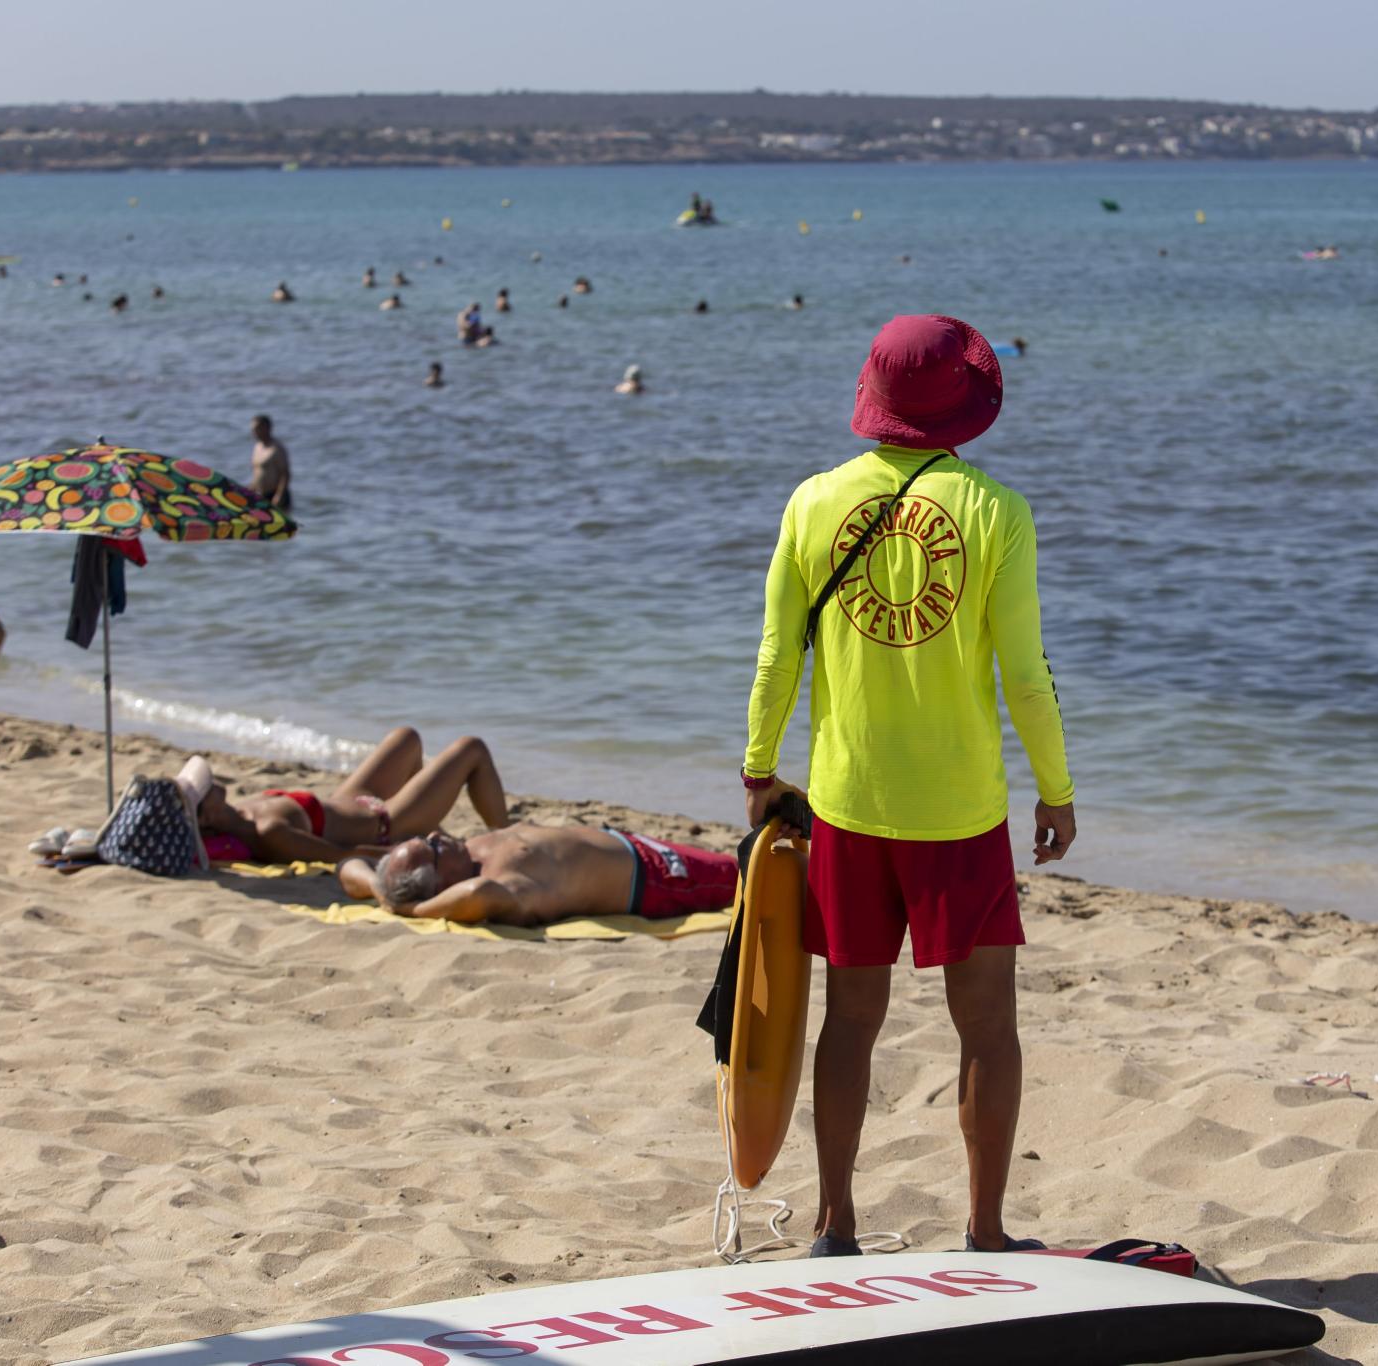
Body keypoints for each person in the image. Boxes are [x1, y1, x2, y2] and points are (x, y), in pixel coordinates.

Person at [742, 313, 1076, 1258]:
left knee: (851, 1016)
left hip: (848, 803)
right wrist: (1056, 787)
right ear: (962, 408)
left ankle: (834, 1224)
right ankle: (986, 1230)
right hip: (962, 811)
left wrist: (760, 769)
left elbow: (778, 655)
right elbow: (1025, 673)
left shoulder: (811, 503)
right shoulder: (997, 512)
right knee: (987, 1026)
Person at [179, 727, 509, 866]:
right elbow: (340, 855)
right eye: (202, 789)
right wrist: (400, 849)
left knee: (406, 737)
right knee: (471, 749)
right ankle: (505, 832)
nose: (207, 781)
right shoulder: (268, 832)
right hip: (384, 823)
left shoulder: (243, 810)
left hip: (355, 798)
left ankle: (427, 821)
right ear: (206, 817)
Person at [338, 822, 738, 927]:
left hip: (637, 847)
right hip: (658, 879)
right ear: (439, 883)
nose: (438, 835)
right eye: (434, 848)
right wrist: (412, 910)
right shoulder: (500, 886)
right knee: (750, 872)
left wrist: (382, 890)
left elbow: (346, 868)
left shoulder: (466, 857)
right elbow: (476, 894)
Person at [249, 414, 291, 510]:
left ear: (266, 428)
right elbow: (257, 472)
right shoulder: (257, 447)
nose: (254, 432)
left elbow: (285, 474)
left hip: (276, 494)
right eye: (252, 430)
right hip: (261, 494)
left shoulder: (276, 449)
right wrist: (252, 488)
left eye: (256, 429)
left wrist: (279, 495)